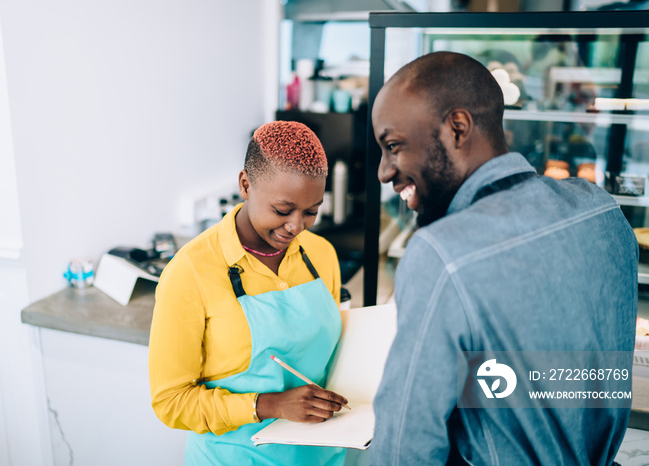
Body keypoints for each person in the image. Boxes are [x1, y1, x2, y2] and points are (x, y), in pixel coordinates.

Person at [370, 51, 638, 465]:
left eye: (393, 146)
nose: (384, 172)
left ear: (458, 128)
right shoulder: (601, 211)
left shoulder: (441, 254)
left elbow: (404, 452)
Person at [148, 121, 348, 465]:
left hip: (320, 456)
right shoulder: (190, 272)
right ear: (245, 184)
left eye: (311, 212)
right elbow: (171, 401)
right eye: (283, 210)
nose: (296, 226)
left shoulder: (322, 254)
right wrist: (268, 404)